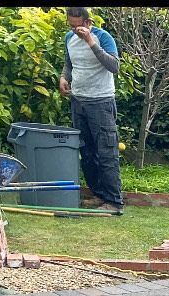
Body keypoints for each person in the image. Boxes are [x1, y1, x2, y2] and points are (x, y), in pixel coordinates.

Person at [60, 7, 124, 214]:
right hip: (78, 101)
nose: (74, 30)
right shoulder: (69, 38)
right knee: (86, 152)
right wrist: (64, 77)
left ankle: (114, 202)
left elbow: (114, 66)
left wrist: (91, 42)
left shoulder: (104, 38)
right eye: (71, 25)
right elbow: (69, 64)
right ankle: (98, 195)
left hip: (101, 102)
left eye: (78, 25)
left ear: (88, 22)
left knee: (106, 152)